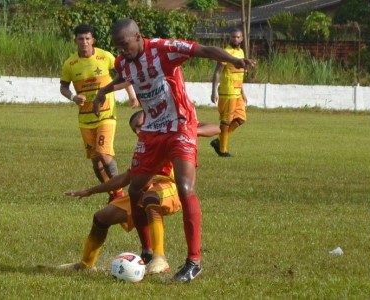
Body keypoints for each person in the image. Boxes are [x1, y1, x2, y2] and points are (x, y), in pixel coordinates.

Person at [93, 18, 255, 282]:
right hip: (152, 131)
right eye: (117, 47)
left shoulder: (162, 48)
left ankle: (194, 261)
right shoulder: (123, 61)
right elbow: (125, 76)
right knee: (135, 188)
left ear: (138, 36)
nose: (122, 51)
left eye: (124, 45)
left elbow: (201, 49)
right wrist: (104, 92)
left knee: (185, 187)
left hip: (181, 124)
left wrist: (232, 60)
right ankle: (147, 251)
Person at [60, 111, 220, 274]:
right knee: (102, 217)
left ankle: (159, 258)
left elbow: (215, 128)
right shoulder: (145, 146)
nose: (138, 131)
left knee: (150, 198)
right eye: (134, 129)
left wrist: (189, 131)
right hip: (144, 189)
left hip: (172, 187)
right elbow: (127, 177)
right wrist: (90, 191)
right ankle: (86, 264)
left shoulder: (173, 127)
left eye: (140, 125)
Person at [60, 24, 138, 203]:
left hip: (106, 115)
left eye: (88, 38)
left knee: (104, 153)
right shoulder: (70, 64)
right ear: (75, 41)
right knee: (95, 160)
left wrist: (132, 95)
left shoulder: (106, 57)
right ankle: (112, 193)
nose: (84, 42)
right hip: (85, 119)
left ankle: (119, 193)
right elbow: (63, 87)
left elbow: (125, 75)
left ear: (93, 40)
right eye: (81, 39)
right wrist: (73, 96)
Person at [210, 28, 248, 157]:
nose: (235, 39)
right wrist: (214, 91)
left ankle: (219, 141)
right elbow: (217, 72)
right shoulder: (225, 52)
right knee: (226, 121)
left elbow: (240, 74)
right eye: (233, 37)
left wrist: (243, 92)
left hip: (237, 92)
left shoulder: (241, 52)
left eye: (237, 37)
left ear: (242, 39)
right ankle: (223, 150)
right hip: (228, 92)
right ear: (229, 38)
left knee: (241, 119)